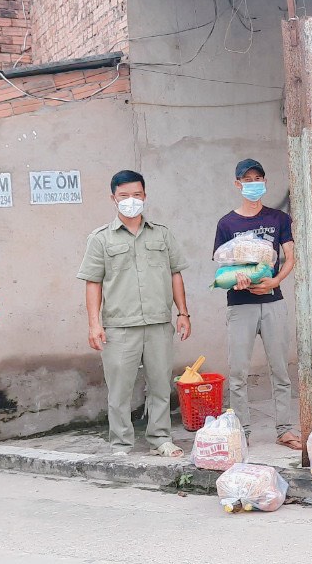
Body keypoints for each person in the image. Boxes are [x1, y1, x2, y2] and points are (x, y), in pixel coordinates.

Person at [77, 170, 192, 457]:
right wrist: (94, 325)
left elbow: (175, 274)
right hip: (119, 326)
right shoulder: (101, 239)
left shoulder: (162, 234)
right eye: (124, 196)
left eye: (137, 195)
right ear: (113, 199)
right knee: (119, 389)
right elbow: (93, 282)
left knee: (160, 385)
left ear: (145, 196)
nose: (131, 201)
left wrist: (183, 313)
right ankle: (121, 443)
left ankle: (160, 438)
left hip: (157, 323)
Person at [214, 159, 302, 451]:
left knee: (280, 370)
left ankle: (285, 429)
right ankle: (242, 430)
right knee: (238, 372)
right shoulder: (227, 223)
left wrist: (275, 281)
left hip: (273, 302)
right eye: (247, 179)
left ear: (265, 182)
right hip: (240, 305)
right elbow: (221, 264)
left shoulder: (278, 219)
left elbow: (290, 257)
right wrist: (235, 279)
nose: (253, 183)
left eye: (258, 178)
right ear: (237, 184)